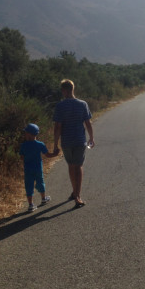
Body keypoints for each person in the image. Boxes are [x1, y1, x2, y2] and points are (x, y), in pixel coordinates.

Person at [53, 79, 94, 208]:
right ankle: (77, 195)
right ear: (73, 89)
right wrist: (91, 138)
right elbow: (88, 123)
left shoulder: (60, 106)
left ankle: (75, 193)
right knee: (78, 166)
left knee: (71, 166)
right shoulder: (82, 104)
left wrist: (55, 144)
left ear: (64, 90)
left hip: (67, 141)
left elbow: (58, 127)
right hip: (79, 140)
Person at [20, 123, 57, 212]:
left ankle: (31, 205)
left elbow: (22, 157)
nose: (25, 134)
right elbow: (47, 155)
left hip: (28, 169)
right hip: (38, 169)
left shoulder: (23, 145)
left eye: (26, 133)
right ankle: (43, 199)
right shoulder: (40, 144)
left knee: (29, 185)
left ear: (29, 134)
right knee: (40, 182)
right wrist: (55, 154)